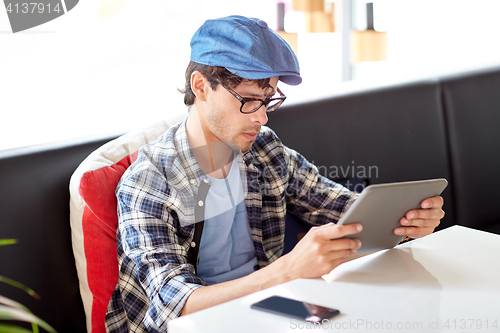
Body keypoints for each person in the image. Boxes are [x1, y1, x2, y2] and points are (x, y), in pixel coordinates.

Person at [105, 15, 445, 332]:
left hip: (267, 305)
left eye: (268, 101)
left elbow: (343, 207)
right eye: (250, 100)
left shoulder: (264, 150)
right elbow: (173, 306)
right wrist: (287, 271)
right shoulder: (150, 181)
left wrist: (405, 221)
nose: (262, 117)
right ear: (201, 86)